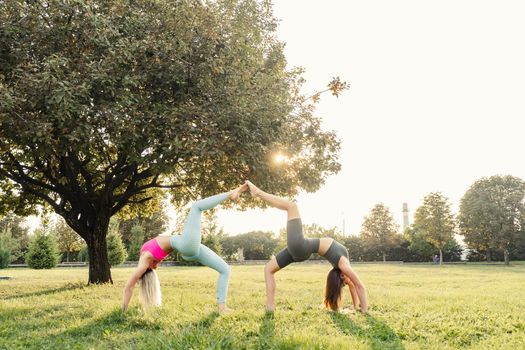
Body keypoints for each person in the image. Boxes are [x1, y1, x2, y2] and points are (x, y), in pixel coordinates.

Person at [244, 181, 368, 314]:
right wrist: (356, 307)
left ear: (342, 276)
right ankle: (270, 307)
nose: (349, 281)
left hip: (301, 246)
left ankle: (258, 193)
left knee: (291, 206)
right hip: (300, 250)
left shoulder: (343, 266)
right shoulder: (342, 268)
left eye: (345, 280)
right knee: (268, 269)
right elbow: (353, 286)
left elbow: (359, 286)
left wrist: (364, 311)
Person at [122, 184, 248, 313]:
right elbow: (128, 288)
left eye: (154, 266)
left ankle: (222, 307)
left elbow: (131, 286)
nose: (156, 266)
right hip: (185, 245)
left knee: (225, 269)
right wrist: (123, 310)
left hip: (188, 249)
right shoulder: (144, 262)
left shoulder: (145, 260)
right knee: (196, 206)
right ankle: (230, 194)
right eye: (154, 266)